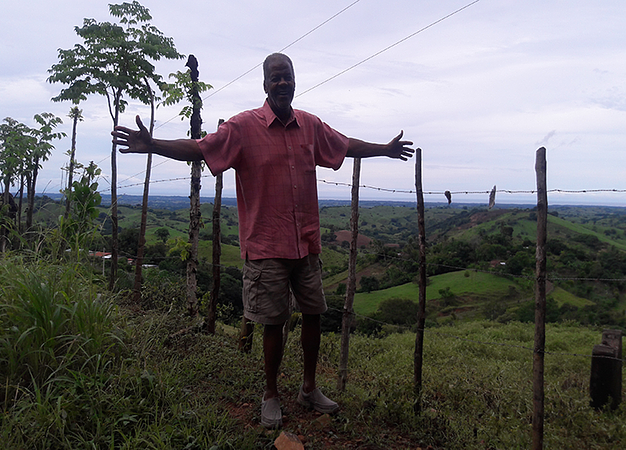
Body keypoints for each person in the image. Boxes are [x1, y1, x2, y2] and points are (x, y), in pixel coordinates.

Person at [112, 53, 414, 428]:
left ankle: (308, 388)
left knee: (314, 315)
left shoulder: (310, 126)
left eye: (287, 76)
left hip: (306, 241)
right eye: (276, 78)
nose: (282, 83)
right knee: (273, 322)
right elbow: (200, 148)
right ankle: (270, 394)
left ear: (294, 80)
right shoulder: (242, 127)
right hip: (267, 243)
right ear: (265, 85)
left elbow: (344, 145)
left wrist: (384, 149)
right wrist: (153, 144)